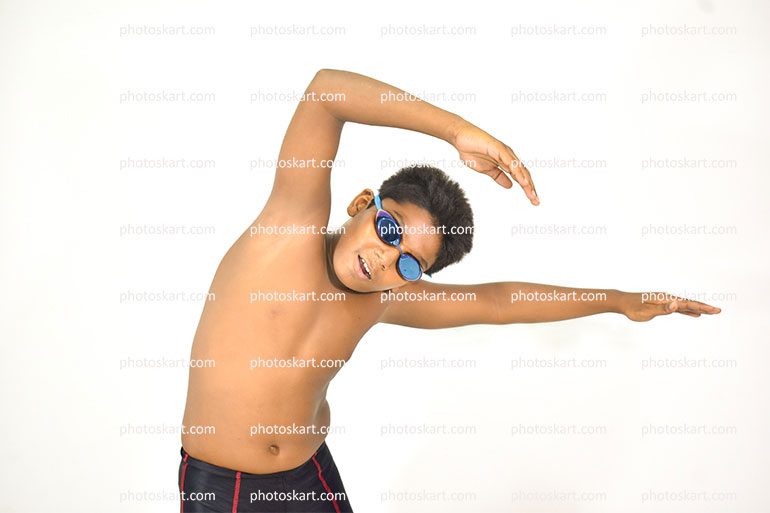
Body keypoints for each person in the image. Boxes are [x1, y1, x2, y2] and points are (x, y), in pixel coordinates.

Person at [178, 69, 720, 512]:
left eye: (410, 263)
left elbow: (497, 302)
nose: (386, 257)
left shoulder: (382, 297)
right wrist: (456, 131)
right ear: (361, 204)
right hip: (224, 487)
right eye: (388, 229)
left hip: (311, 475)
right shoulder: (287, 231)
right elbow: (325, 95)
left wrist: (618, 301)